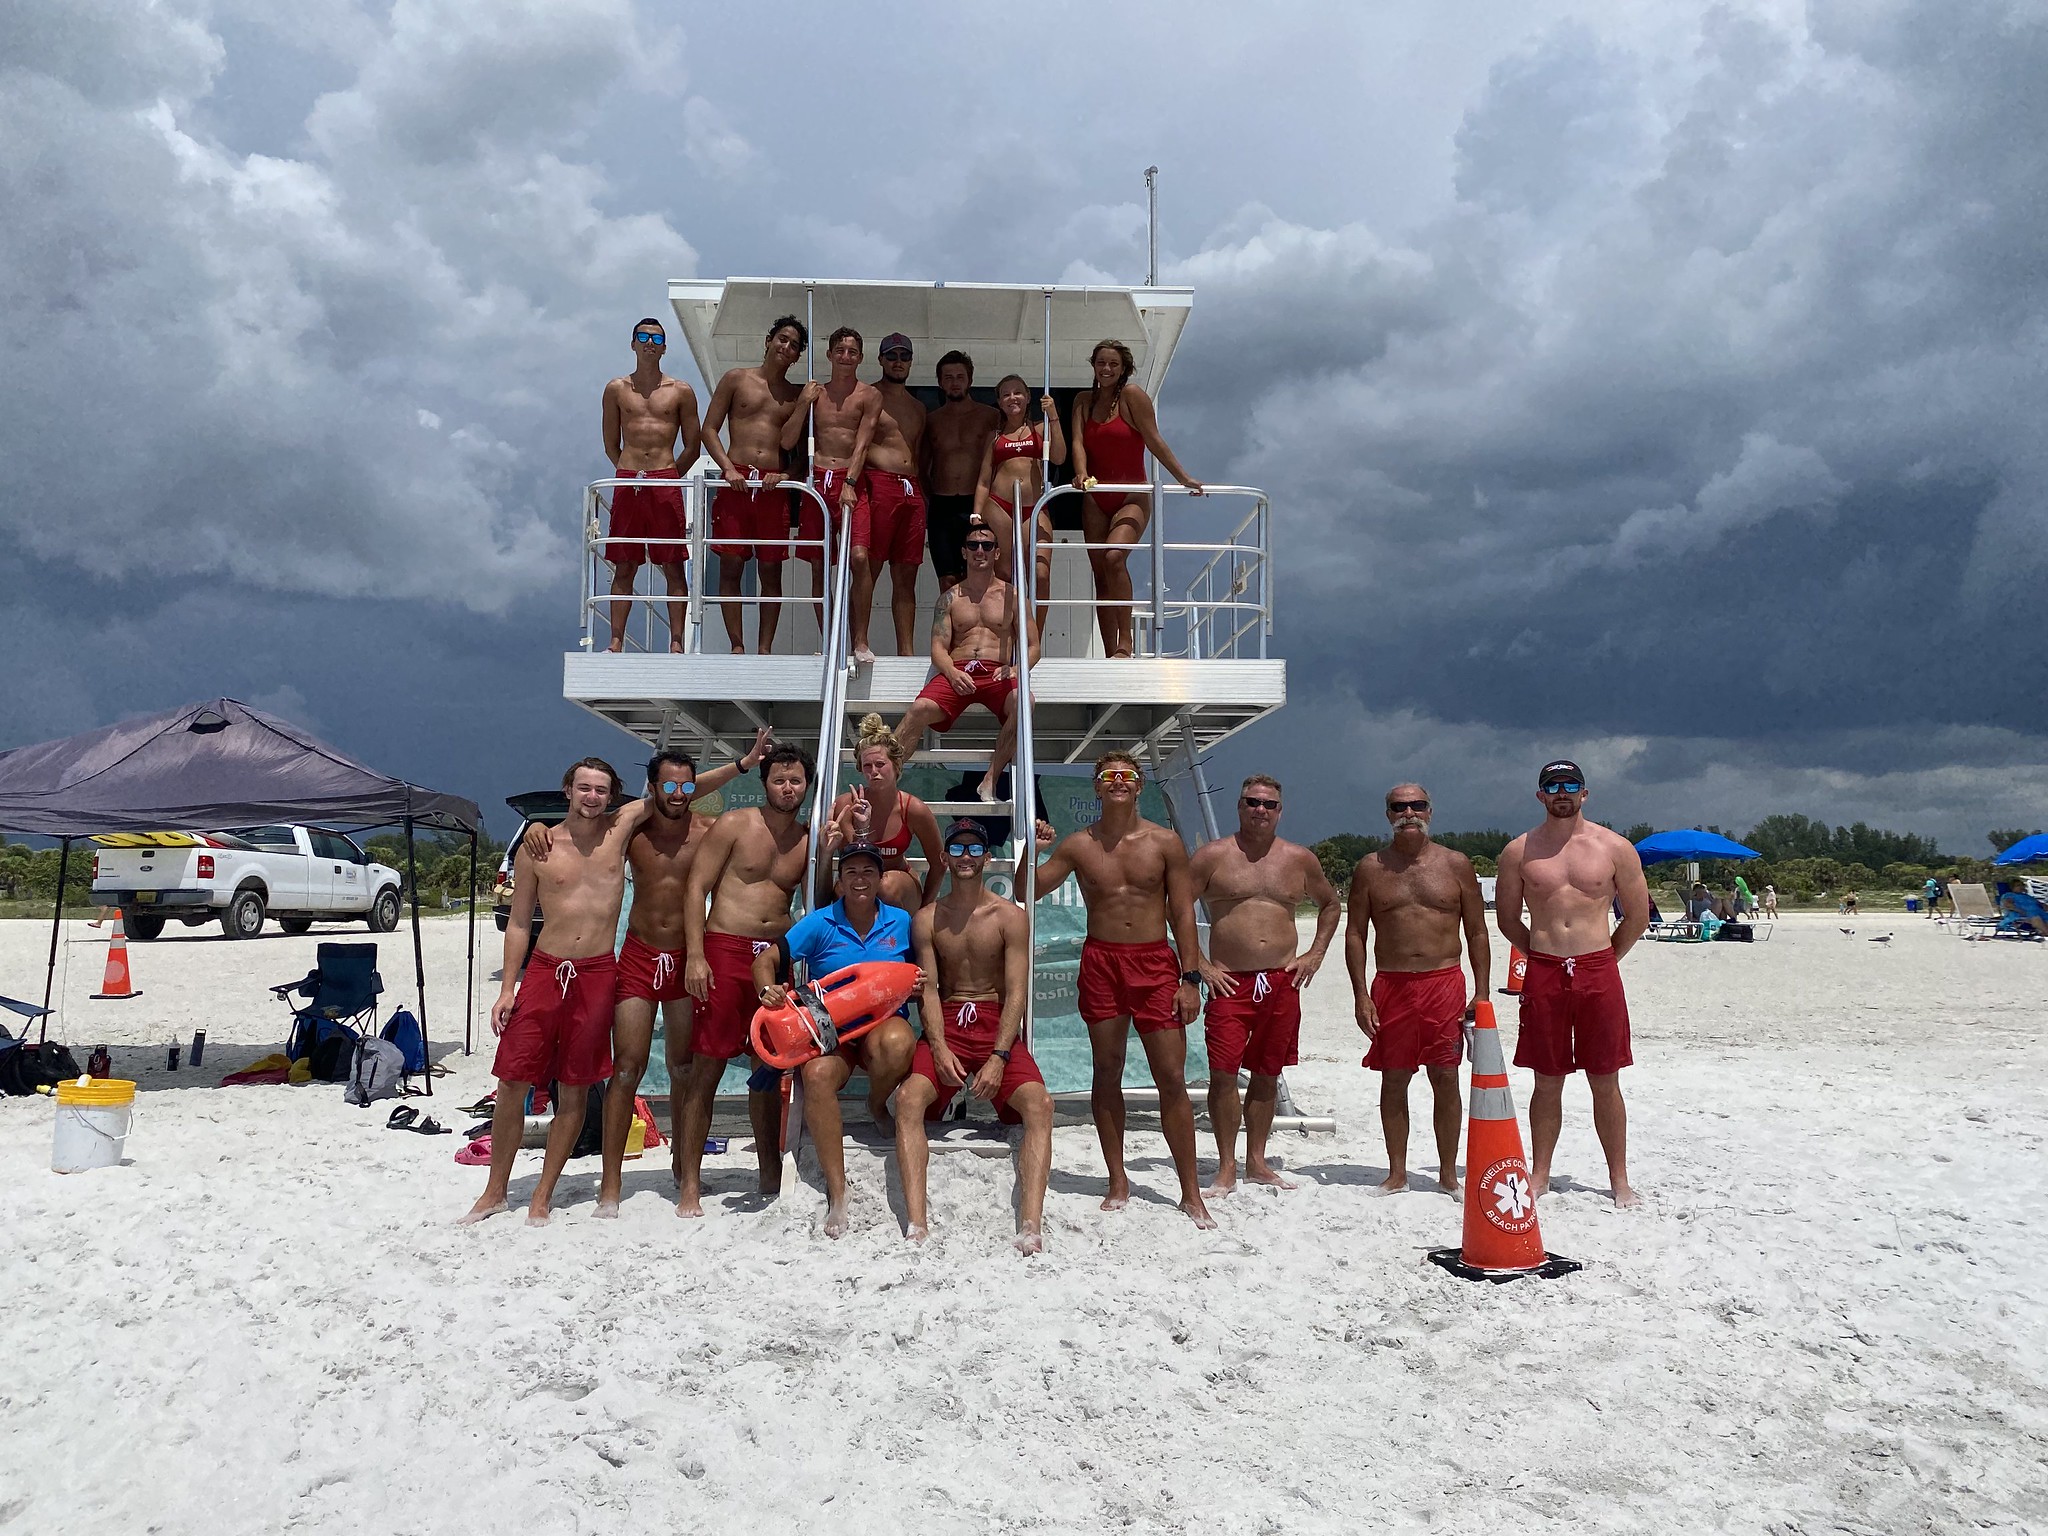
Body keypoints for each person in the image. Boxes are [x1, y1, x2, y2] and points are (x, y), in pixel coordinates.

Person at [520, 730, 773, 1212]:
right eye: (668, 786)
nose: (677, 795)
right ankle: (610, 1185)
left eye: (686, 787)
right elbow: (581, 830)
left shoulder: (707, 832)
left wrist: (743, 766)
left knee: (682, 1068)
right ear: (653, 788)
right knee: (628, 1069)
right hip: (638, 956)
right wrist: (538, 825)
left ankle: (684, 1168)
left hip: (685, 959)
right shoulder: (631, 828)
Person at [462, 758, 650, 1225]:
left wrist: (745, 763)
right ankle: (495, 1191)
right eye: (584, 788)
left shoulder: (619, 830)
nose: (592, 797)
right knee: (511, 1081)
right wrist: (508, 989)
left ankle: (542, 1194)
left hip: (597, 973)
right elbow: (520, 922)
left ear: (613, 796)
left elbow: (679, 790)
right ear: (568, 790)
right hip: (546, 970)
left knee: (576, 1087)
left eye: (601, 790)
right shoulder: (538, 845)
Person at [1031, 750, 1214, 1227]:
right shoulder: (1078, 845)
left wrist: (1189, 977)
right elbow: (1025, 889)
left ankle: (1190, 1191)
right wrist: (1033, 846)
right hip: (1102, 962)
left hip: (1155, 963)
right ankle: (1118, 1180)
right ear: (1096, 786)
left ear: (1138, 786)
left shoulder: (1165, 842)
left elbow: (1182, 913)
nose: (1118, 782)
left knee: (1171, 1077)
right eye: (1109, 776)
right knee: (1106, 1069)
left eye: (1127, 776)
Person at [1495, 760, 1651, 1207]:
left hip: (1597, 967)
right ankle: (1539, 1173)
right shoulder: (1519, 850)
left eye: (1570, 785)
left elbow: (1637, 917)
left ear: (1585, 793)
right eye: (1552, 785)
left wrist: (1603, 959)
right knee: (1547, 1079)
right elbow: (1508, 920)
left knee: (1606, 1078)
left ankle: (1619, 1180)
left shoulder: (1615, 847)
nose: (1561, 792)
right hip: (1544, 968)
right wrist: (1544, 958)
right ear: (1540, 794)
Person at [675, 744, 816, 1217]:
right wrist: (696, 955)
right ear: (765, 783)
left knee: (769, 1070)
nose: (787, 788)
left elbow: (824, 900)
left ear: (806, 785)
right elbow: (696, 887)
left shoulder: (807, 839)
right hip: (725, 950)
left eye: (795, 780)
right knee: (706, 1070)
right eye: (779, 779)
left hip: (775, 959)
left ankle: (770, 1173)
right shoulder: (735, 824)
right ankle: (690, 1183)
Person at [899, 818, 1052, 1251]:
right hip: (947, 1022)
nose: (965, 857)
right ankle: (917, 1224)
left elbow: (1018, 990)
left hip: (994, 1025)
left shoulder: (1010, 917)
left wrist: (1000, 1056)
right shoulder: (927, 918)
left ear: (987, 857)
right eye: (957, 849)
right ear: (944, 857)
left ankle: (1031, 1226)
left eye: (974, 849)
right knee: (909, 1098)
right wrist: (940, 1045)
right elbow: (927, 988)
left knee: (1040, 1105)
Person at [755, 839, 920, 1238]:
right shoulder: (820, 921)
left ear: (882, 878)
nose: (860, 879)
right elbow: (767, 960)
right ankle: (838, 1192)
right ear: (840, 880)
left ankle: (876, 1103)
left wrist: (922, 982)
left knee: (899, 1043)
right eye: (851, 872)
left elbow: (928, 971)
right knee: (815, 1077)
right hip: (831, 1030)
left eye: (868, 872)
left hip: (882, 1025)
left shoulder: (901, 922)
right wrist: (767, 990)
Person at [1187, 775, 1340, 1193]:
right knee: (1222, 1074)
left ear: (1280, 811)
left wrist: (1315, 954)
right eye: (1252, 802)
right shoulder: (1212, 857)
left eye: (1269, 804)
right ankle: (1225, 1166)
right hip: (1228, 982)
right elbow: (1175, 906)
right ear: (1239, 806)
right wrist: (1198, 963)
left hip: (1280, 981)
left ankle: (1256, 1160)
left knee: (1267, 1074)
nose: (1260, 810)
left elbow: (1330, 904)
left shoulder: (1298, 859)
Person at [1344, 783, 1492, 1195]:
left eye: (1417, 805)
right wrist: (1360, 994)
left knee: (1445, 1076)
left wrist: (1481, 992)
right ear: (1387, 813)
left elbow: (1477, 932)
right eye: (1399, 806)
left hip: (1443, 982)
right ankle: (1397, 1172)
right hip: (1390, 984)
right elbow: (1354, 933)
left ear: (1430, 810)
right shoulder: (1370, 868)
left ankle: (1447, 1174)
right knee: (1394, 1078)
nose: (1409, 813)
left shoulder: (1456, 864)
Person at [1067, 338, 1204, 659]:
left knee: (1115, 558)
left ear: (1124, 368)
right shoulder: (1082, 401)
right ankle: (1108, 649)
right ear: (1093, 365)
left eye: (1113, 364)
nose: (1107, 369)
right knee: (1100, 574)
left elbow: (1155, 440)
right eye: (1101, 362)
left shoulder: (1132, 397)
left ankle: (1125, 643)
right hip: (1096, 496)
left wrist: (1183, 478)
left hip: (1132, 495)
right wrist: (1081, 474)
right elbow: (1077, 444)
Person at [894, 516, 1035, 805]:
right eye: (973, 545)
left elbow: (1033, 646)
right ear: (964, 552)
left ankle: (989, 781)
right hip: (957, 670)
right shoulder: (950, 598)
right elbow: (937, 647)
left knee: (1025, 702)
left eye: (986, 545)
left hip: (997, 672)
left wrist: (1017, 667)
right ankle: (886, 776)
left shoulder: (1013, 596)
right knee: (920, 708)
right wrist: (950, 672)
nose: (979, 550)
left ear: (997, 552)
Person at [700, 314, 807, 654]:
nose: (786, 347)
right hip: (737, 483)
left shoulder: (795, 396)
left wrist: (787, 476)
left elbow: (801, 454)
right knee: (730, 565)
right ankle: (736, 644)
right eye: (782, 339)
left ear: (797, 356)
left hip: (773, 489)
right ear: (768, 340)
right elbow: (708, 429)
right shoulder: (736, 379)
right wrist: (728, 469)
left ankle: (764, 648)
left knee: (770, 570)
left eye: (793, 345)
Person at [600, 318, 702, 653]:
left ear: (664, 347)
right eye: (642, 337)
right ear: (632, 344)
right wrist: (629, 470)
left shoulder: (681, 391)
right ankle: (615, 640)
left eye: (656, 338)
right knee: (624, 563)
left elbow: (692, 445)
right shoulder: (616, 388)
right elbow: (610, 443)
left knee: (672, 562)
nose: (649, 343)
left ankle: (675, 641)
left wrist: (669, 474)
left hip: (664, 478)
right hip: (629, 478)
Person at [783, 327, 882, 659]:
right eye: (839, 350)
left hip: (851, 481)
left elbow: (864, 442)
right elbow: (787, 441)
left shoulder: (869, 395)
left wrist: (850, 483)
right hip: (818, 480)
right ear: (829, 354)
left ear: (860, 358)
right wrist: (801, 404)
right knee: (819, 563)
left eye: (852, 352)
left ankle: (861, 640)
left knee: (858, 557)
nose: (845, 357)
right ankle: (831, 642)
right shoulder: (815, 393)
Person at [973, 374, 1066, 636]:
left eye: (1017, 392)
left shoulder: (1039, 429)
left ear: (1027, 397)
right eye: (1005, 394)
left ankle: (1034, 635)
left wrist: (1054, 416)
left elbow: (1058, 456)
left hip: (1034, 508)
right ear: (1000, 402)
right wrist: (976, 514)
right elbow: (983, 480)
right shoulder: (995, 437)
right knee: (1004, 574)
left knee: (1039, 574)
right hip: (999, 505)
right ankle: (1006, 635)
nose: (1012, 398)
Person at [825, 715, 946, 911]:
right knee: (842, 890)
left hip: (898, 884)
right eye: (867, 766)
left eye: (880, 764)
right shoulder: (845, 805)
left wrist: (924, 909)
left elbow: (939, 863)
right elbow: (851, 858)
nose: (873, 771)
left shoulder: (913, 809)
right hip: (858, 883)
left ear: (896, 765)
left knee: (885, 887)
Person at [863, 332, 929, 655]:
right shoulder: (868, 395)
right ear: (881, 360)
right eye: (892, 356)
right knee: (868, 571)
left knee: (906, 576)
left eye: (904, 356)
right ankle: (858, 643)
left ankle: (906, 651)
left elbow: (920, 454)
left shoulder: (918, 407)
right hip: (879, 483)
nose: (898, 362)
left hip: (912, 490)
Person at [922, 351, 999, 587]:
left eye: (959, 376)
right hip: (941, 506)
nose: (954, 382)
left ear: (970, 380)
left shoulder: (991, 416)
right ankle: (948, 625)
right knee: (946, 580)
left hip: (975, 504)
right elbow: (922, 466)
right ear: (940, 382)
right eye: (948, 377)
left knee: (975, 576)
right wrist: (928, 502)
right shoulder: (932, 420)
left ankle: (977, 625)